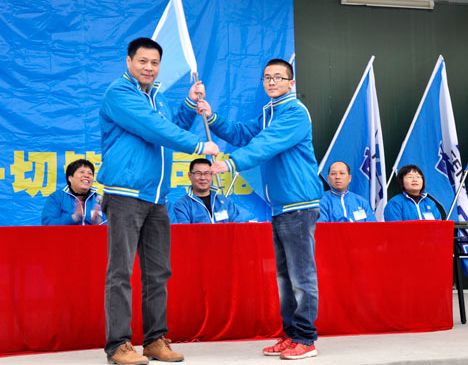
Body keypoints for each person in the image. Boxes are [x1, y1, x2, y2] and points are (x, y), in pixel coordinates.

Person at [97, 37, 219, 365]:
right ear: (128, 62)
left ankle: (154, 340)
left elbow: (170, 127)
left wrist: (189, 104)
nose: (149, 68)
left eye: (154, 63)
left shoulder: (158, 98)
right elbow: (153, 128)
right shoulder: (119, 94)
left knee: (158, 272)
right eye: (143, 61)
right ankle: (118, 345)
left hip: (157, 197)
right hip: (125, 195)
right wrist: (198, 147)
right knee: (121, 272)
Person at [198, 58, 322, 360]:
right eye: (267, 77)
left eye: (278, 77)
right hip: (280, 205)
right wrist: (212, 117)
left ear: (291, 83)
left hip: (299, 203)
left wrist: (230, 163)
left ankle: (306, 339)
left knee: (301, 276)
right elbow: (242, 133)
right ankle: (291, 334)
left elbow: (265, 144)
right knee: (285, 277)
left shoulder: (294, 112)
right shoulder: (269, 113)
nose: (272, 82)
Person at [171, 158, 254, 224]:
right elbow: (184, 233)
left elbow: (238, 226)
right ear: (190, 175)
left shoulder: (225, 201)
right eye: (198, 173)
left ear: (212, 175)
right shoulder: (182, 205)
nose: (203, 178)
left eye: (207, 173)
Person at [42, 159, 105, 225]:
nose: (87, 176)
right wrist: (75, 217)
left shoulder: (100, 199)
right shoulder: (57, 197)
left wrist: (97, 222)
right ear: (70, 178)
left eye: (90, 173)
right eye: (82, 172)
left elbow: (110, 225)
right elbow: (48, 224)